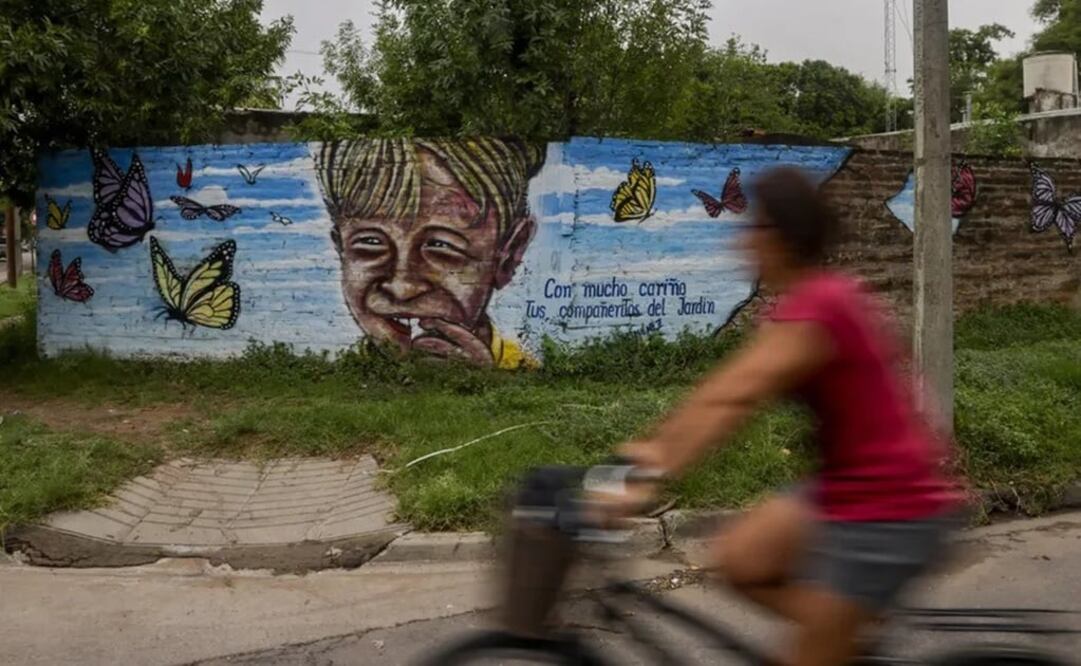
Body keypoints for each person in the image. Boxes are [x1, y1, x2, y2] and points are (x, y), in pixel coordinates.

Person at [608, 167, 963, 666]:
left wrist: (646, 472)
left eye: (754, 228)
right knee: (741, 561)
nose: (743, 241)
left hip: (891, 506)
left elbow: (734, 399)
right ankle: (844, 635)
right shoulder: (802, 304)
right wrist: (646, 454)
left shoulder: (821, 306)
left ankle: (836, 634)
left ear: (783, 237)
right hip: (845, 485)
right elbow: (720, 390)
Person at [314, 138, 545, 368]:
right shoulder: (336, 377)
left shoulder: (526, 376)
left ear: (509, 255)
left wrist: (479, 381)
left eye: (441, 247)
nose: (401, 288)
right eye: (370, 243)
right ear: (341, 249)